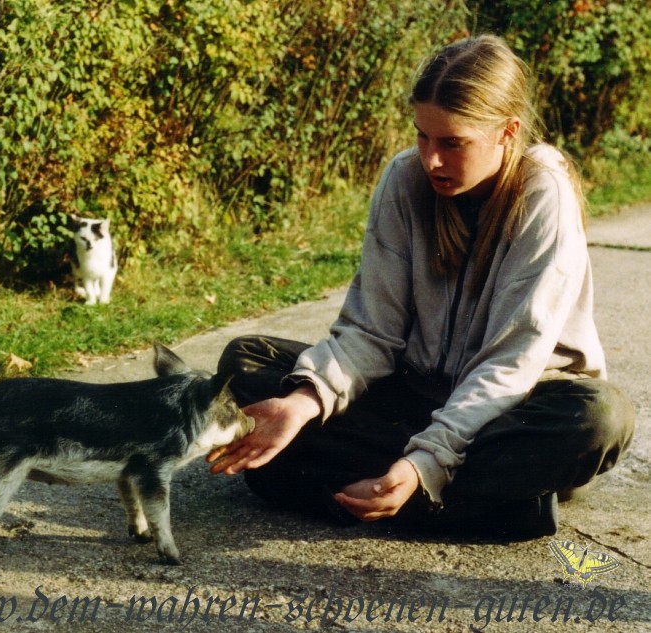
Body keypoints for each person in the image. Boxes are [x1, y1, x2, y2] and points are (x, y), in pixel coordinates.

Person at [207, 35, 635, 539]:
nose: (432, 160)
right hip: (415, 393)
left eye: (453, 143)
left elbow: (510, 363)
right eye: (422, 137)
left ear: (507, 132)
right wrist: (304, 402)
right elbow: (371, 332)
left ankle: (372, 486)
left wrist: (423, 464)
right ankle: (496, 507)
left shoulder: (543, 191)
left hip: (517, 408)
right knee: (246, 363)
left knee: (601, 418)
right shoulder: (404, 179)